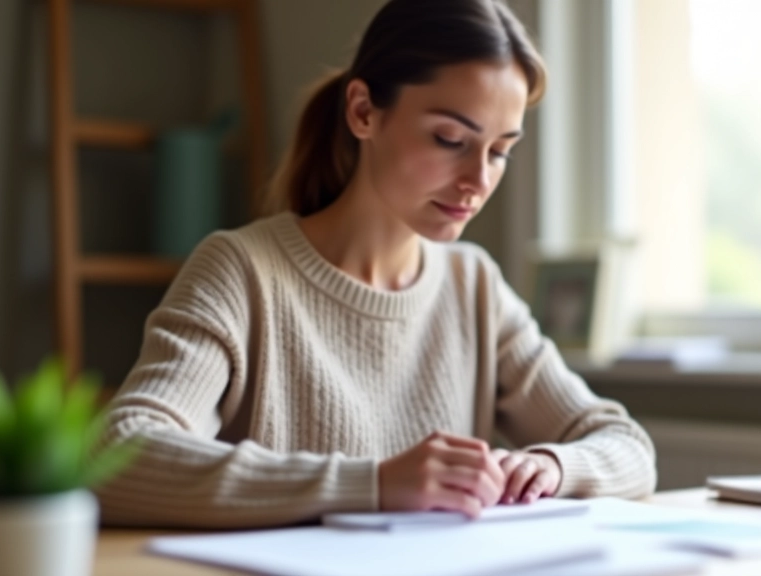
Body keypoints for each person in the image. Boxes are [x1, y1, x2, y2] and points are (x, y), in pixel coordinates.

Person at [96, 0, 656, 529]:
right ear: (364, 111)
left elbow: (626, 445)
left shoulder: (474, 285)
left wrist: (556, 467)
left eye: (501, 150)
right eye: (450, 138)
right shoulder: (241, 271)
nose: (478, 180)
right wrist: (373, 484)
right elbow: (120, 453)